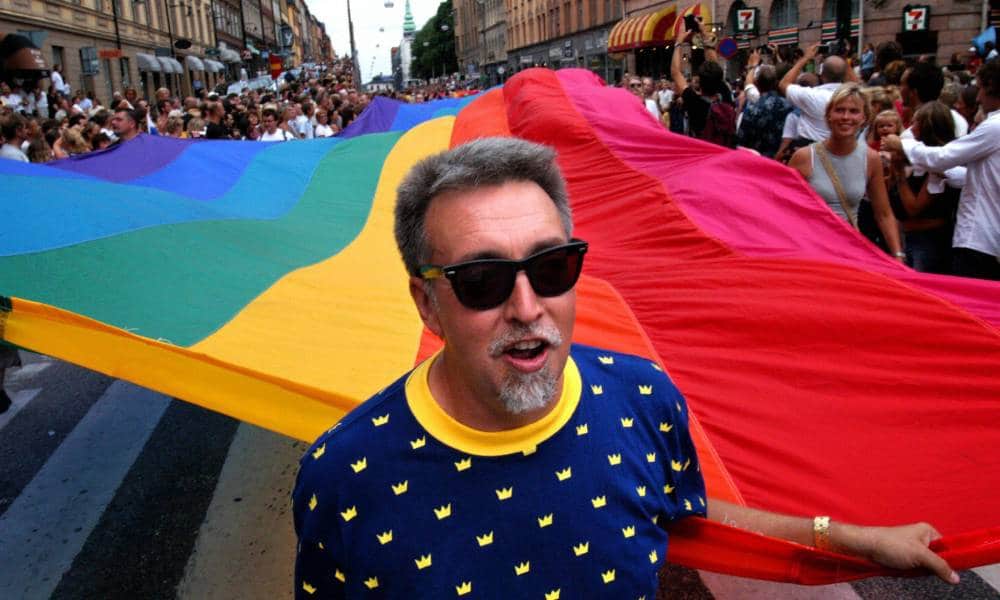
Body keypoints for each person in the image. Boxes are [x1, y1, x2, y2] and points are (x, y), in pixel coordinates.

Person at [293, 137, 957, 599]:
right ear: (427, 303)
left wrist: (849, 538)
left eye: (551, 268)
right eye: (483, 281)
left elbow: (684, 514)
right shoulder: (344, 474)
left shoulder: (643, 396)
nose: (527, 307)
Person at [882, 60, 1000, 280]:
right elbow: (977, 174)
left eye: (982, 87)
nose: (978, 97)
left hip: (979, 238)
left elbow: (943, 157)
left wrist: (903, 146)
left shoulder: (994, 126)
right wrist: (946, 174)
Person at [788, 84, 904, 260]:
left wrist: (898, 255)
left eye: (853, 111)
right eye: (839, 110)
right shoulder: (803, 157)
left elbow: (884, 213)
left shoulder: (871, 159)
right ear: (828, 115)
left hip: (848, 251)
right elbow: (786, 209)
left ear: (864, 118)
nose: (845, 117)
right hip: (810, 250)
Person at [670, 19, 736, 147]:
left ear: (699, 83)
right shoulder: (725, 94)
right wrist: (704, 33)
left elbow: (675, 72)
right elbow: (714, 65)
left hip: (705, 155)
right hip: (727, 154)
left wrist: (678, 43)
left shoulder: (694, 101)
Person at [779, 43, 853, 145]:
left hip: (811, 148)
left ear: (821, 76)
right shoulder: (853, 96)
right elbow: (857, 84)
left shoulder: (811, 95)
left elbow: (783, 84)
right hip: (843, 148)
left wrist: (805, 58)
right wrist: (844, 60)